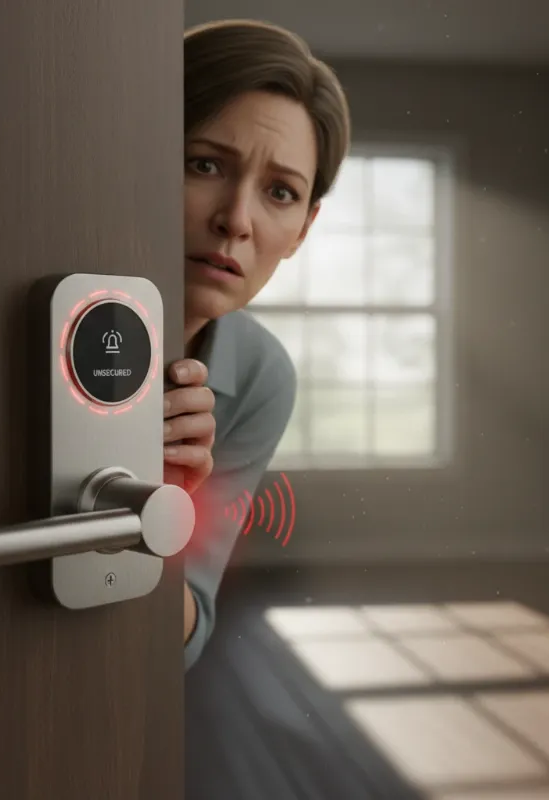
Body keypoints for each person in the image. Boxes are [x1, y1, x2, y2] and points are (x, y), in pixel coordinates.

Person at [161, 19, 351, 670]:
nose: (236, 220)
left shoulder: (262, 376)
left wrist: (152, 499)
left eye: (280, 193)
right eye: (204, 163)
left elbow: (185, 633)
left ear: (304, 228)